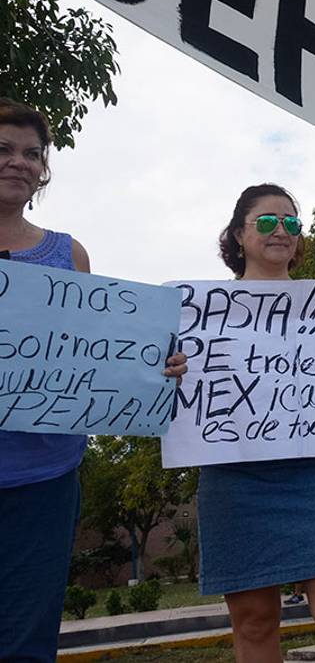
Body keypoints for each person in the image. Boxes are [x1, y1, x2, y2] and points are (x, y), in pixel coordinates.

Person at [0, 99, 187, 662]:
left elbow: (96, 349)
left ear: (44, 170)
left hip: (45, 478)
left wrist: (156, 364)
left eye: (32, 154)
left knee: (26, 641)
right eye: (4, 149)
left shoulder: (68, 253)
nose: (19, 162)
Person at [195, 184, 315, 662]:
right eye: (268, 221)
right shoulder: (201, 314)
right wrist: (170, 368)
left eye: (291, 222)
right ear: (238, 234)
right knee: (254, 621)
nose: (281, 231)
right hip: (235, 478)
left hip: (313, 474)